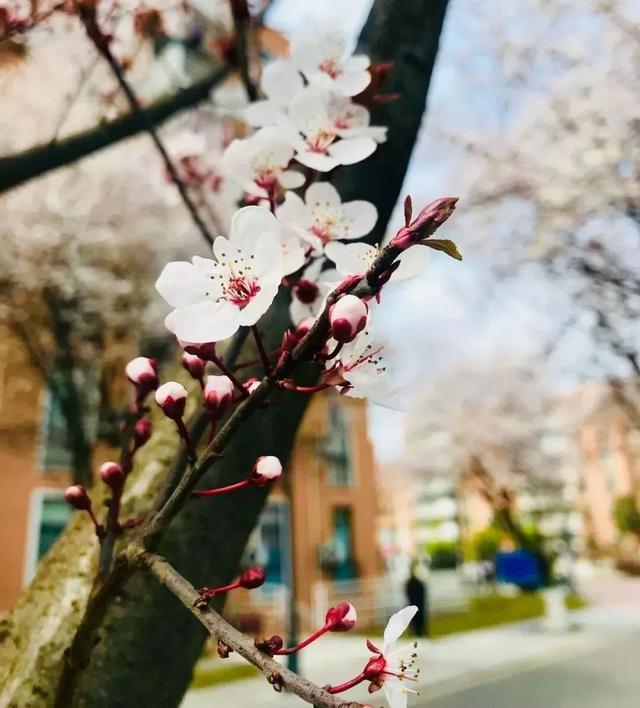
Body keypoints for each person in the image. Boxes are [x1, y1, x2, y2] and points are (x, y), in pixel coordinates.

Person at [405, 561, 428, 636]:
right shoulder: (411, 583)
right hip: (414, 603)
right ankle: (416, 632)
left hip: (420, 603)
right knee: (416, 619)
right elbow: (408, 593)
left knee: (421, 618)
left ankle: (421, 632)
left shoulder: (419, 582)